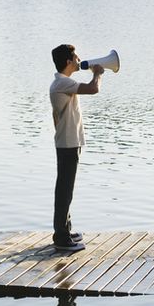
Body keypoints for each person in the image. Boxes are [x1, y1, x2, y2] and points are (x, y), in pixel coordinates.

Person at [50, 44, 104, 251]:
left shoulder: (62, 83)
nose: (79, 58)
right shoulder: (62, 83)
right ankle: (61, 238)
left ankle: (65, 229)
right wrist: (98, 73)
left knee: (66, 189)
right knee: (64, 190)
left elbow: (56, 116)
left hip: (68, 141)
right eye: (75, 56)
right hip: (67, 143)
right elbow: (93, 88)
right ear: (68, 62)